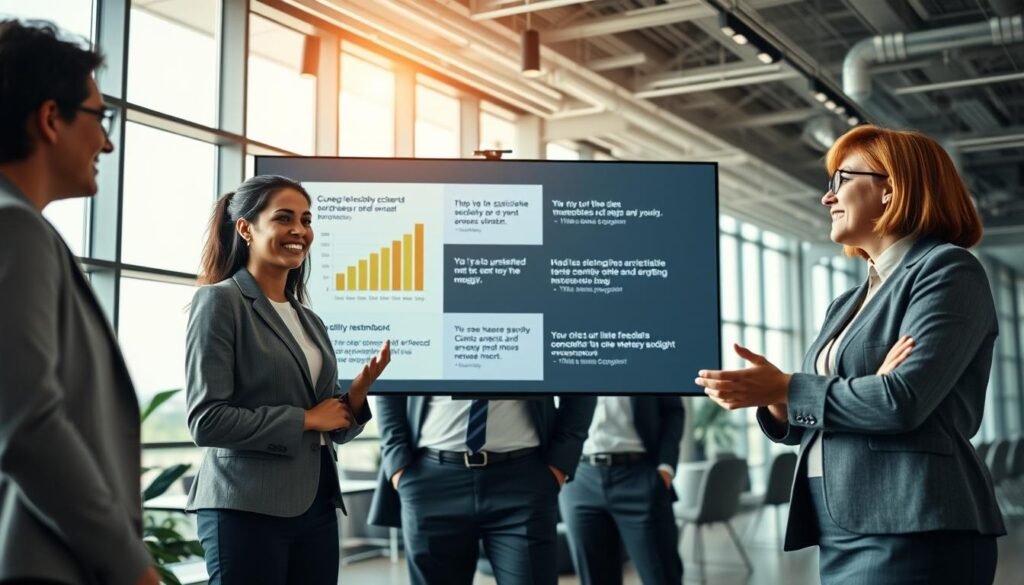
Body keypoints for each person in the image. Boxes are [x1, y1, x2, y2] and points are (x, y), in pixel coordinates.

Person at [695, 125, 1005, 584]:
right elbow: (848, 408)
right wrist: (781, 403)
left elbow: (899, 402)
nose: (827, 197)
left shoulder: (948, 269)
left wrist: (792, 386)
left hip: (914, 522)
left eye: (841, 179)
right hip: (840, 520)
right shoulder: (846, 303)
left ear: (891, 189)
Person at [0, 19, 161, 585]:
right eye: (100, 118)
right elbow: (29, 425)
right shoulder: (14, 228)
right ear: (50, 119)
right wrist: (132, 566)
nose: (108, 142)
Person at [185, 174, 390, 585]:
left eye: (306, 219)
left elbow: (333, 427)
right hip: (245, 507)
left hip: (315, 506)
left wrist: (354, 397)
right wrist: (306, 419)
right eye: (284, 218)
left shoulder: (308, 319)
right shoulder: (220, 302)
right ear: (246, 228)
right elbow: (207, 421)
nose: (299, 230)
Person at [368, 393, 596, 585]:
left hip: (523, 481)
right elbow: (392, 379)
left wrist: (559, 465)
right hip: (431, 481)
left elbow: (580, 376)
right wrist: (397, 464)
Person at [559, 396, 684, 585]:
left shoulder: (648, 365)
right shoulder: (568, 365)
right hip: (580, 477)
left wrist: (665, 468)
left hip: (640, 474)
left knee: (662, 577)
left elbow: (674, 410)